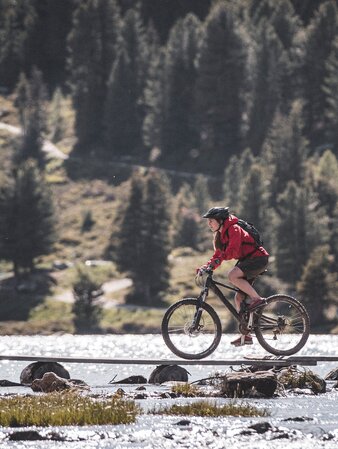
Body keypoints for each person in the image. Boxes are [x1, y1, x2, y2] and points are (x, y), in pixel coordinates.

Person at [197, 206, 269, 347]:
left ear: (220, 220)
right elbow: (218, 255)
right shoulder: (221, 234)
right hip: (248, 260)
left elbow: (232, 250)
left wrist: (218, 261)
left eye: (211, 221)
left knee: (232, 275)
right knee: (239, 298)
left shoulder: (234, 228)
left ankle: (257, 299)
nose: (209, 224)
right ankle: (246, 335)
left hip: (258, 258)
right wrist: (206, 266)